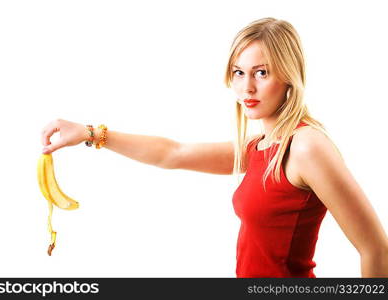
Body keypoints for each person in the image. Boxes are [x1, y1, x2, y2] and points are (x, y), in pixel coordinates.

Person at [40, 17, 388, 278]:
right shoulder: (261, 147)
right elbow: (172, 154)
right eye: (238, 72)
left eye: (262, 73)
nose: (246, 87)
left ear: (288, 76)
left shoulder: (306, 146)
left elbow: (375, 249)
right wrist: (89, 132)